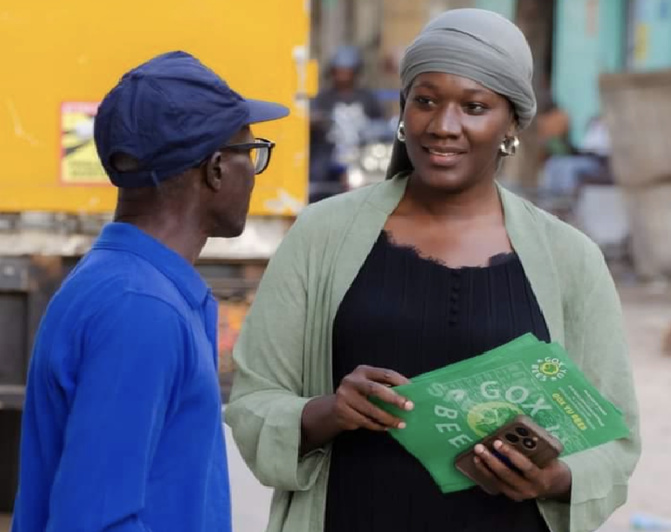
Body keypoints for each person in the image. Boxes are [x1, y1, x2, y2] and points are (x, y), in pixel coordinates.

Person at [227, 9, 640, 532]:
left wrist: (553, 478)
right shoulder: (321, 235)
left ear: (511, 123)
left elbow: (614, 439)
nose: (444, 126)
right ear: (402, 110)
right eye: (425, 100)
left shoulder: (571, 259)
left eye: (474, 106)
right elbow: (254, 403)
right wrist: (330, 410)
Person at [11, 51, 288, 532]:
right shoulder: (141, 310)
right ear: (217, 169)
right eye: (253, 152)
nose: (254, 173)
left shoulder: (127, 284)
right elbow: (94, 521)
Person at [309, 45, 385, 202]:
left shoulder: (367, 97)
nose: (342, 75)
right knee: (316, 175)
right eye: (339, 71)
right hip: (328, 151)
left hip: (360, 152)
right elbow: (311, 120)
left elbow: (379, 123)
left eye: (347, 71)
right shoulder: (323, 97)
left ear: (355, 72)